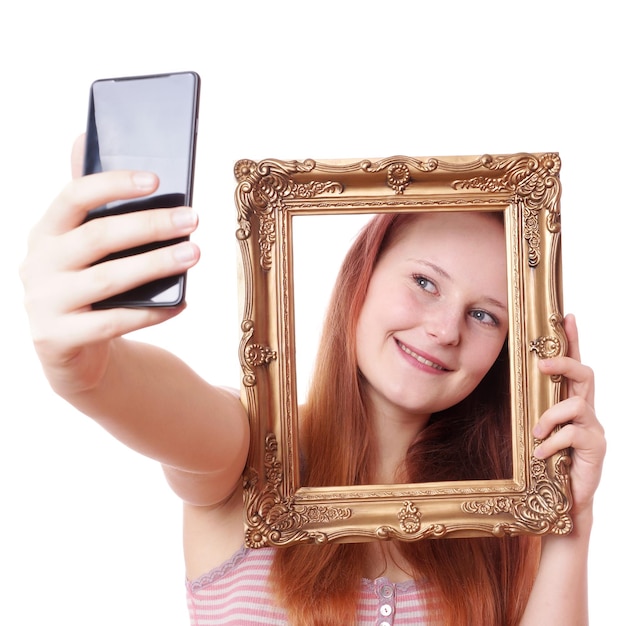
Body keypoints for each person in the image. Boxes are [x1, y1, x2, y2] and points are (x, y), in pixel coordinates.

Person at [20, 137, 605, 626]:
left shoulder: (506, 521)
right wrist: (87, 369)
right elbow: (141, 396)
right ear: (361, 279)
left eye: (485, 315)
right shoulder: (250, 450)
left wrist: (572, 518)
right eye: (425, 282)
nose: (445, 329)